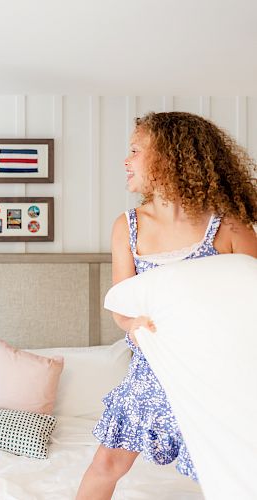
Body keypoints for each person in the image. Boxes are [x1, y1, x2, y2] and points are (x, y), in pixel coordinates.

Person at [76, 111, 257, 500]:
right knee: (106, 465)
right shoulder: (128, 226)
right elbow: (121, 306)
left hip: (215, 375)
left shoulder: (229, 226)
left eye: (136, 150)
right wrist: (134, 326)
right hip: (152, 371)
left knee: (226, 468)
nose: (126, 160)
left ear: (171, 157)